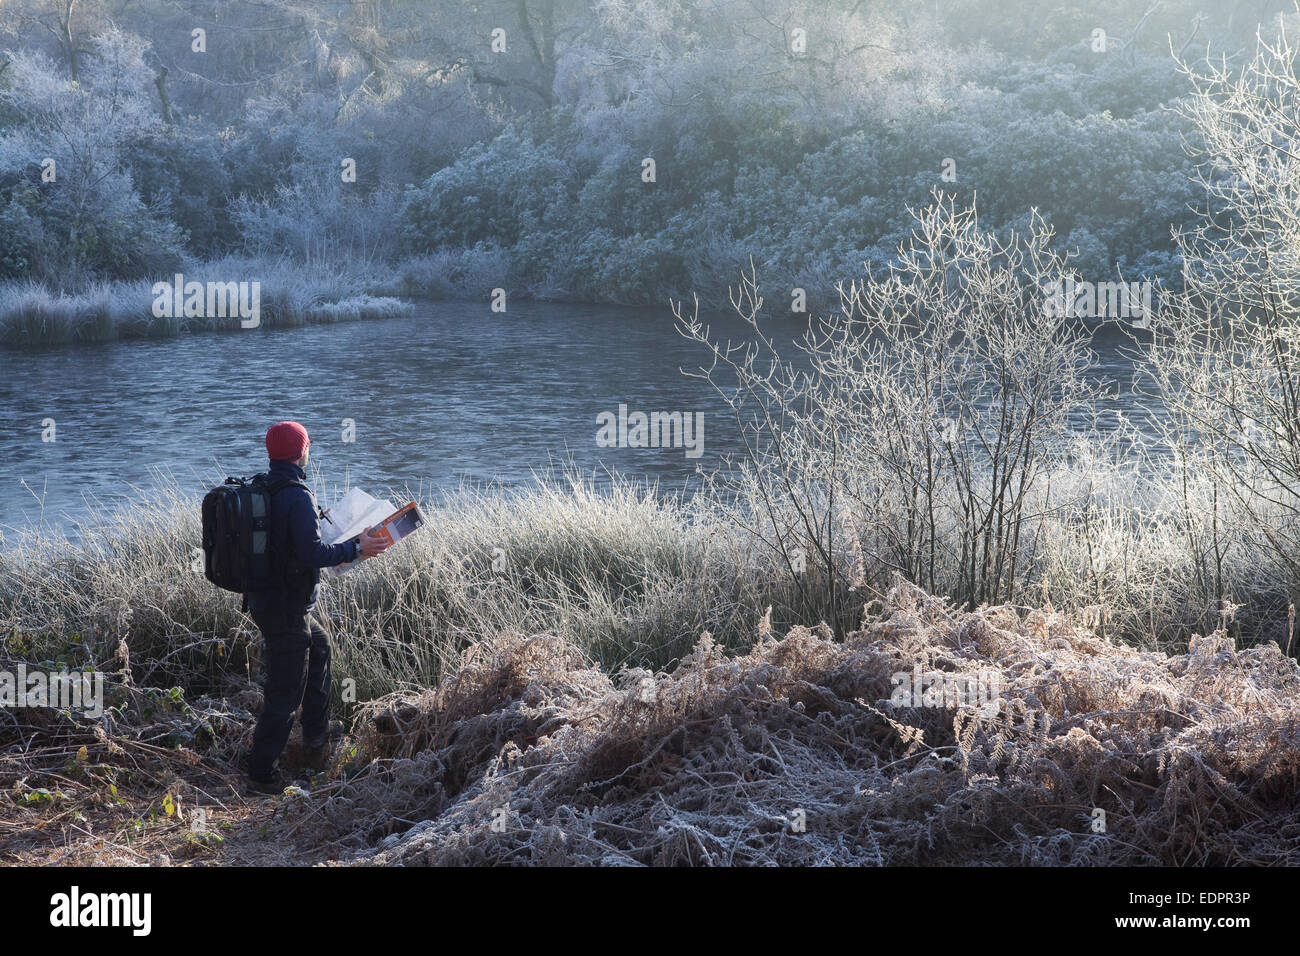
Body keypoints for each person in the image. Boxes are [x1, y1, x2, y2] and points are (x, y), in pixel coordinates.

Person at [243, 420, 390, 794]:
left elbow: (289, 545)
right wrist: (357, 549)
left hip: (267, 601)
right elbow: (311, 553)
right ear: (302, 451)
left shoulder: (264, 485)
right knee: (284, 691)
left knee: (320, 648)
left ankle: (315, 737)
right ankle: (261, 774)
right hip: (286, 608)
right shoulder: (296, 495)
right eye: (307, 446)